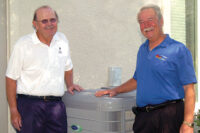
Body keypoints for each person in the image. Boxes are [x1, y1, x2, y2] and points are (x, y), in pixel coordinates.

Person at [95, 4, 197, 133]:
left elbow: (189, 89)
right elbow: (138, 79)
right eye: (141, 22)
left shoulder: (178, 49)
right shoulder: (142, 50)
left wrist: (187, 123)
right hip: (144, 117)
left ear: (161, 21)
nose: (145, 25)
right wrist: (116, 90)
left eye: (150, 20)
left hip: (169, 116)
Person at [6, 5, 83, 133]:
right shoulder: (23, 45)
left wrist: (69, 84)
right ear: (35, 24)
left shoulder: (62, 40)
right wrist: (13, 110)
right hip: (30, 106)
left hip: (56, 107)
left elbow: (68, 67)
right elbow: (10, 79)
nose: (49, 24)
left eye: (53, 20)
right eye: (44, 21)